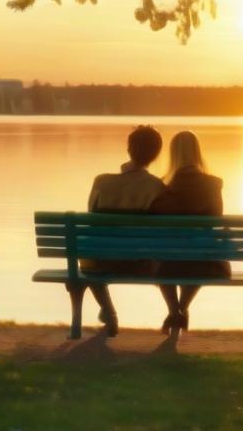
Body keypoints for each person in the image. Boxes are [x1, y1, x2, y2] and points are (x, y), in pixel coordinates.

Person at [82, 124, 166, 336]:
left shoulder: (101, 182)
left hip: (101, 261)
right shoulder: (157, 187)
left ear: (129, 149)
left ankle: (109, 313)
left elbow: (92, 217)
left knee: (88, 257)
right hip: (141, 263)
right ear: (156, 155)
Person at [150, 130, 229, 333]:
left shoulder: (162, 187)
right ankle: (181, 309)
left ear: (173, 154)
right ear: (197, 152)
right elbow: (216, 219)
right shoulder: (213, 184)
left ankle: (175, 311)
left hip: (167, 263)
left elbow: (156, 223)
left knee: (161, 257)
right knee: (200, 254)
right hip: (205, 263)